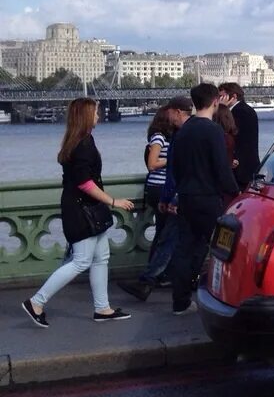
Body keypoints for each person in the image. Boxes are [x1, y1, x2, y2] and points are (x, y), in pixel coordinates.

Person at [21, 98, 134, 327]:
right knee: (81, 261)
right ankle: (36, 302)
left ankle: (102, 308)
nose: (99, 116)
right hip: (82, 210)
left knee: (101, 257)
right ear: (85, 116)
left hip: (88, 208)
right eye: (96, 112)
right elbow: (85, 183)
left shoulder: (81, 141)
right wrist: (114, 201)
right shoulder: (82, 145)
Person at [168, 83, 240, 315]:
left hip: (186, 197)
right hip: (208, 198)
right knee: (224, 247)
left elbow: (175, 167)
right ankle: (225, 296)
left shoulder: (183, 131)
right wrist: (236, 193)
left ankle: (180, 301)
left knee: (185, 249)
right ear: (215, 102)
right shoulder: (213, 131)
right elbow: (221, 169)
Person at [120, 96, 193, 303]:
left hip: (169, 190)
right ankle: (156, 279)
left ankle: (153, 279)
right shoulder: (164, 137)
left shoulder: (174, 136)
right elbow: (154, 164)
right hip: (166, 190)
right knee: (168, 237)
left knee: (167, 237)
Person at [218, 81, 259, 189]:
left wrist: (221, 110)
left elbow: (233, 135)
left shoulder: (240, 112)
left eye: (222, 96)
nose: (219, 100)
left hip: (240, 169)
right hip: (243, 167)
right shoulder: (245, 110)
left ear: (233, 96)